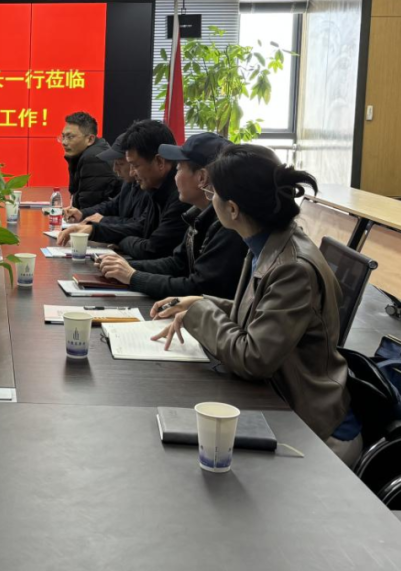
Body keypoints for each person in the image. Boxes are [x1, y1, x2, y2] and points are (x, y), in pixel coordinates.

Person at [149, 145, 361, 465]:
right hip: (279, 401)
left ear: (233, 209)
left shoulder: (293, 268)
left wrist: (199, 313)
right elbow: (258, 313)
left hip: (315, 430)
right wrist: (201, 301)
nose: (210, 199)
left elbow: (253, 358)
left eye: (212, 192)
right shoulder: (267, 243)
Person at [97, 132, 247, 300]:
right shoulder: (198, 213)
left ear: (202, 177)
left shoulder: (228, 225)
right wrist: (123, 266)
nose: (174, 177)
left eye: (178, 168)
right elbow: (178, 264)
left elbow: (199, 288)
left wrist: (132, 276)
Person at [59, 119, 187, 259]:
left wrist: (120, 240)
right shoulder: (155, 188)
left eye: (135, 166)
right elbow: (141, 227)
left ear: (160, 162)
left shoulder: (181, 196)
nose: (132, 172)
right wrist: (93, 228)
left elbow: (153, 249)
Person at [62, 132, 145, 241]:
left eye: (120, 164)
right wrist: (82, 213)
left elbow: (139, 226)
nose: (115, 169)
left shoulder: (149, 187)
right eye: (114, 163)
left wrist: (102, 221)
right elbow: (113, 205)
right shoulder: (129, 183)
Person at [59, 111, 119, 212]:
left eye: (70, 137)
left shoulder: (93, 158)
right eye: (63, 136)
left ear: (90, 139)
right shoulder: (91, 151)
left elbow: (89, 207)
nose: (64, 142)